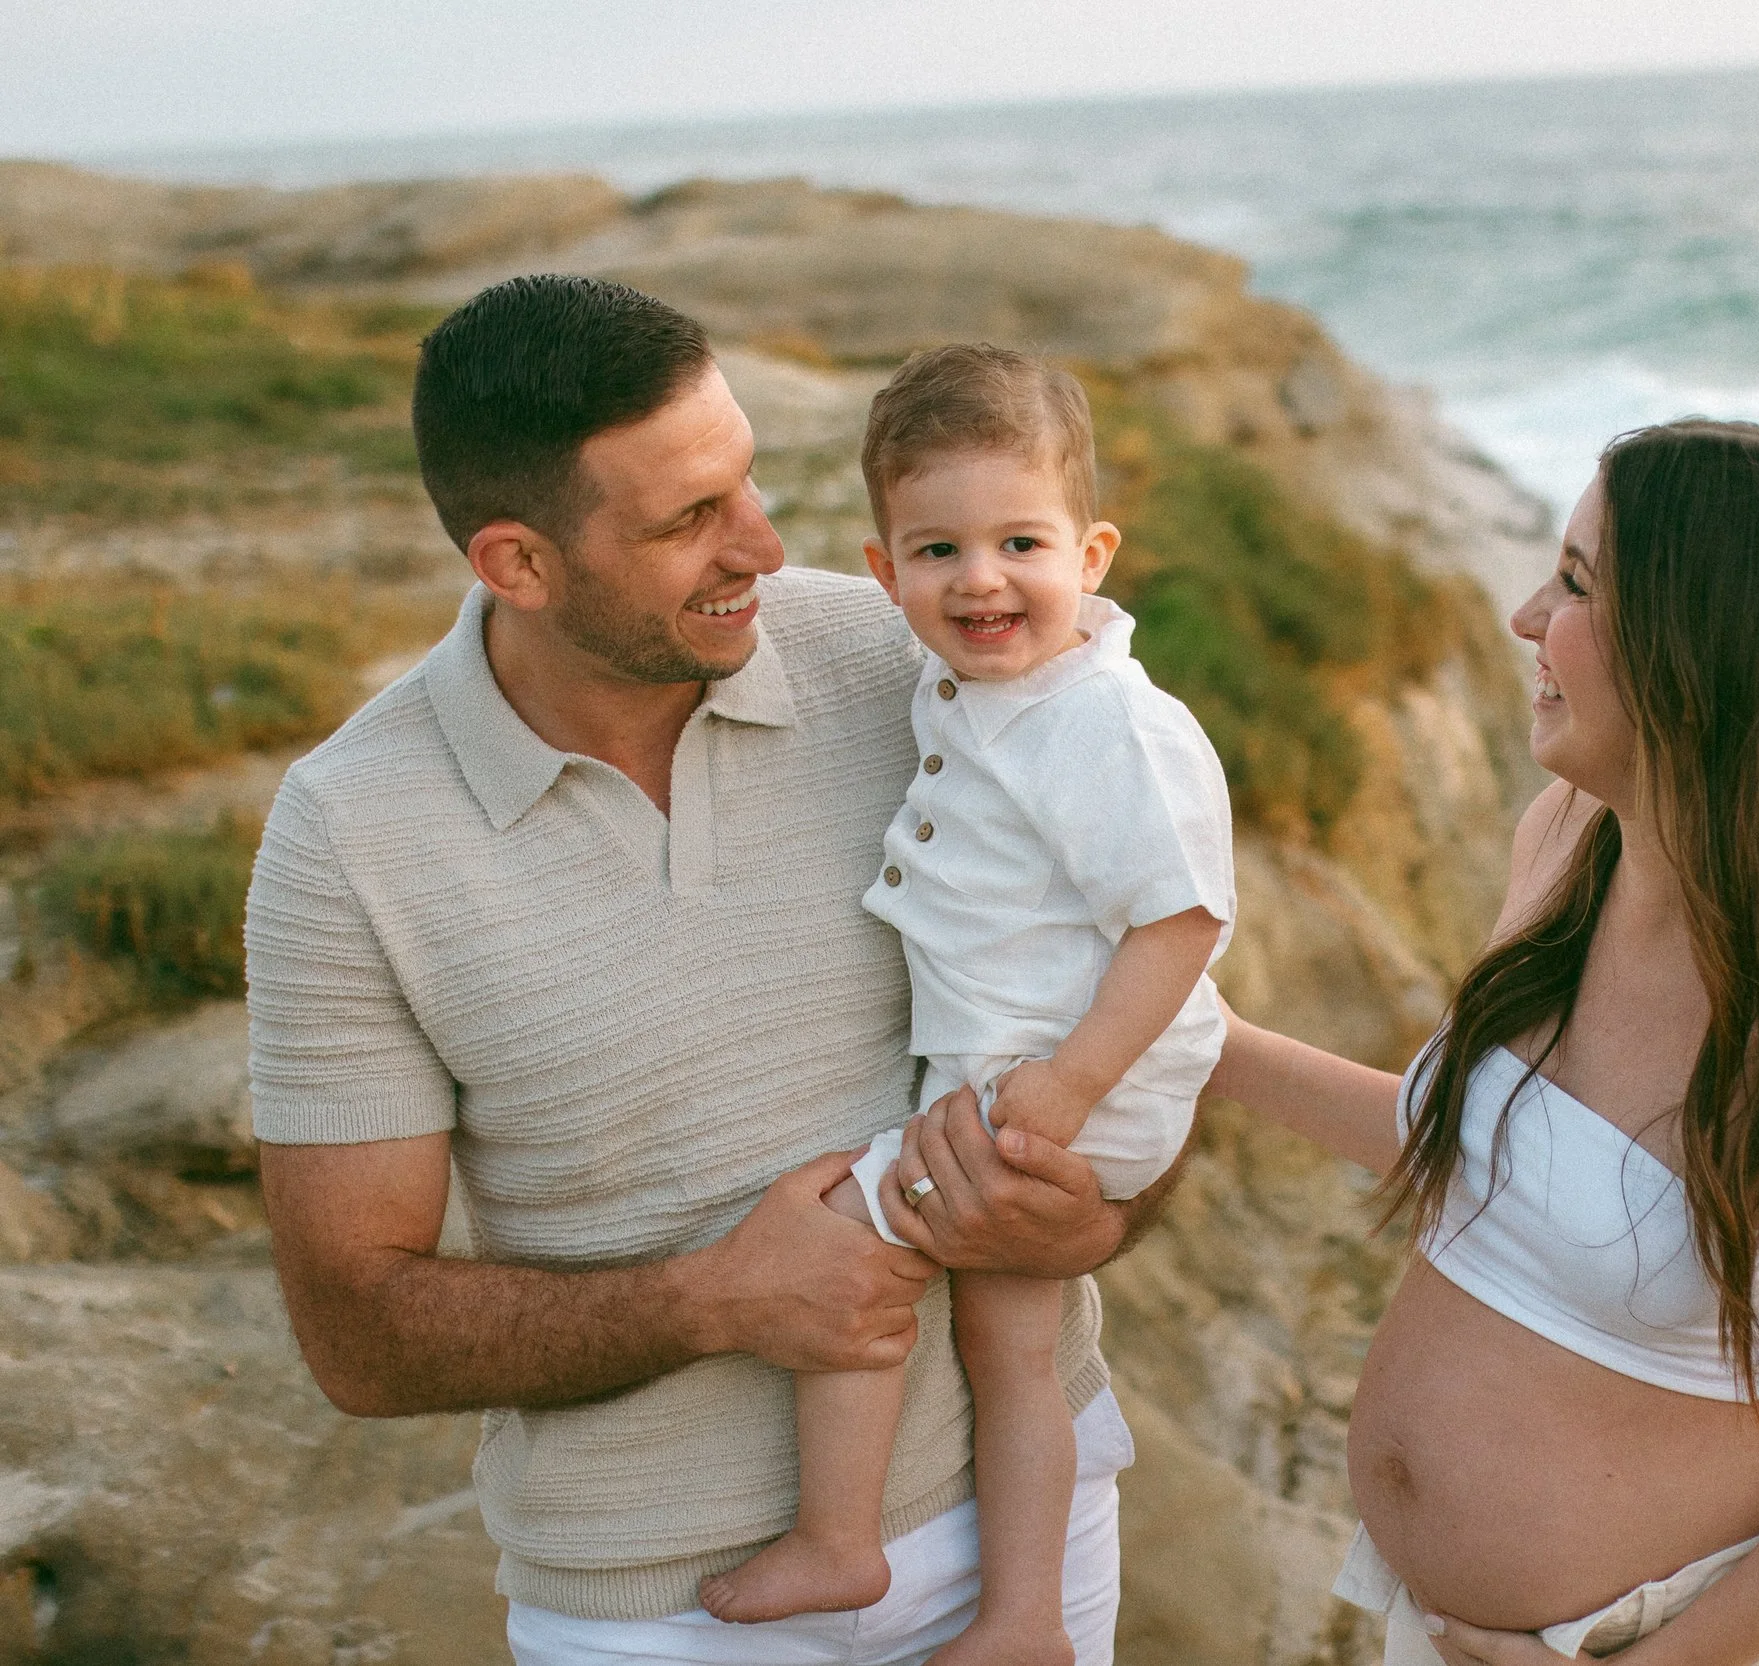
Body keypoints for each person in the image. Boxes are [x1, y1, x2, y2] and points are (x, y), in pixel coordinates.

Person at [246, 276, 1172, 1666]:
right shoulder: (348, 834)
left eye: (743, 483)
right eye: (690, 521)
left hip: (1020, 1544)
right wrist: (713, 1297)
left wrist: (1099, 1216)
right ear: (517, 564)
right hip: (653, 1616)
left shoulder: (905, 656)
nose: (765, 541)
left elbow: (1143, 1003)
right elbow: (357, 1332)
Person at [1208, 420, 1759, 1665]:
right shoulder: (1571, 835)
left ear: (1708, 650)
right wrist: (1200, 1042)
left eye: (1577, 583)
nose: (1526, 616)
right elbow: (1495, 1163)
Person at [697, 345, 1231, 1665]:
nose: (980, 577)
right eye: (937, 550)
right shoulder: (985, 683)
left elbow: (1183, 919)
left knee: (841, 1238)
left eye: (1021, 542)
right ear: (884, 576)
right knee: (1013, 1355)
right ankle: (1026, 1621)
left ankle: (838, 1539)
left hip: (1058, 1091)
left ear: (1092, 553)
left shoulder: (1099, 718)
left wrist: (1074, 1084)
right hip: (1019, 1077)